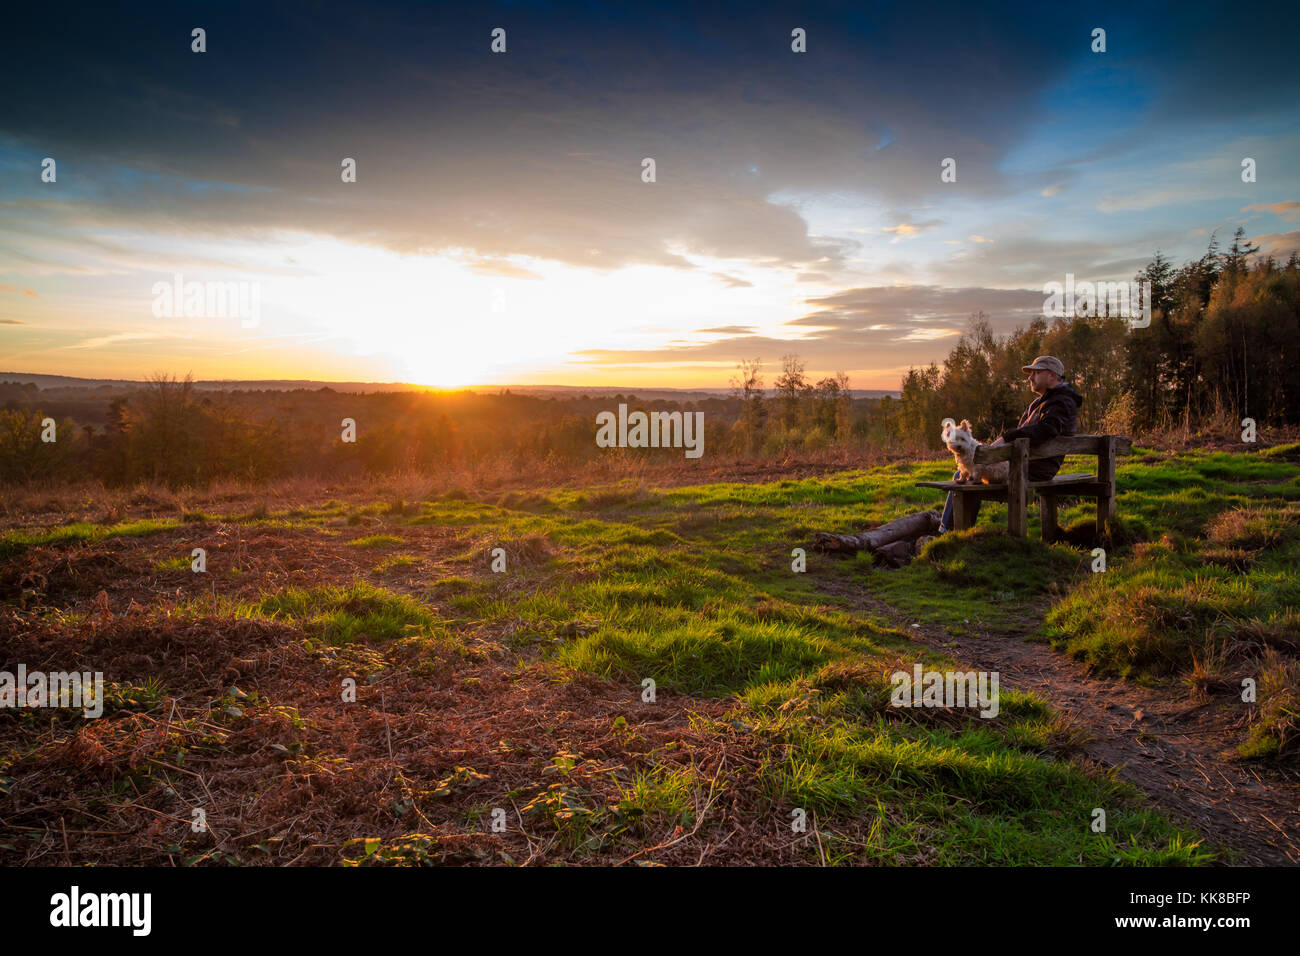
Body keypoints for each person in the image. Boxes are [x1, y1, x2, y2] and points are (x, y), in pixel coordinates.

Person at [937, 355, 1084, 534]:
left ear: (1052, 375)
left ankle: (950, 532)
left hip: (1030, 468)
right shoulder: (1044, 401)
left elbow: (1046, 430)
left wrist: (1007, 437)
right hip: (1024, 463)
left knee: (966, 476)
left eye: (1035, 373)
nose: (1030, 377)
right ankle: (956, 530)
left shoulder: (1061, 402)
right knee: (965, 473)